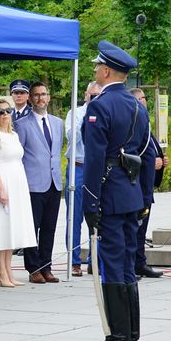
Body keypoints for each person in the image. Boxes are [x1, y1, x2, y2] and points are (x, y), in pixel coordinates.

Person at [81, 40, 154, 341]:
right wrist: (145, 195)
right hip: (131, 193)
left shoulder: (100, 106)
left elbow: (95, 160)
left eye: (98, 65)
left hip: (108, 195)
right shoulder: (139, 106)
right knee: (126, 267)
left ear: (107, 70)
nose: (95, 69)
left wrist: (90, 202)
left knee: (112, 267)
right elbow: (145, 154)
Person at [14, 82, 63, 284]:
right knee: (32, 228)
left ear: (49, 97)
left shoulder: (57, 123)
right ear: (30, 98)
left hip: (54, 183)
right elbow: (19, 156)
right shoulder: (22, 124)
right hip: (33, 184)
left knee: (49, 228)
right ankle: (33, 268)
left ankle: (46, 266)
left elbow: (55, 153)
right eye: (36, 95)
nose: (41, 98)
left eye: (44, 94)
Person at [0, 99, 37, 287]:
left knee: (12, 227)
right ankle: (1, 271)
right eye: (0, 112)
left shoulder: (14, 135)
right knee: (2, 227)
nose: (5, 114)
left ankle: (8, 271)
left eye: (7, 111)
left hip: (18, 183)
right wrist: (1, 189)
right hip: (3, 182)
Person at [64, 81, 101, 276]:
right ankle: (74, 260)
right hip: (78, 167)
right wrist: (88, 116)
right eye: (92, 95)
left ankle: (94, 260)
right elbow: (72, 138)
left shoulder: (105, 113)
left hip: (96, 170)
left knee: (96, 216)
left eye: (98, 96)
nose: (94, 99)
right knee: (75, 216)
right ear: (86, 95)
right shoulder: (76, 113)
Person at [129, 88, 166, 278]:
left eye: (145, 98)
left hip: (146, 187)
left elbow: (152, 149)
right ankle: (132, 265)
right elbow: (132, 154)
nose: (145, 101)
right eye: (142, 98)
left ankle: (140, 263)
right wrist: (152, 162)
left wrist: (160, 161)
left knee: (142, 229)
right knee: (134, 228)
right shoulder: (133, 125)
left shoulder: (146, 125)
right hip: (137, 185)